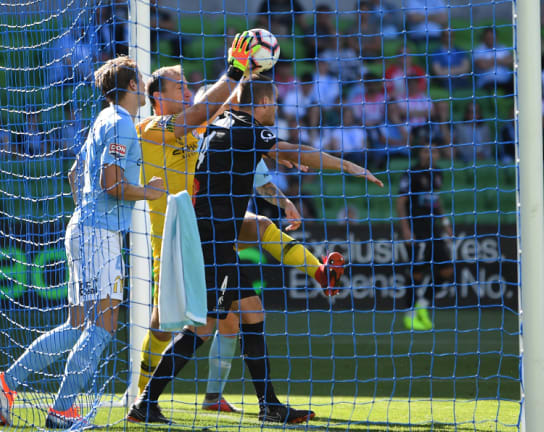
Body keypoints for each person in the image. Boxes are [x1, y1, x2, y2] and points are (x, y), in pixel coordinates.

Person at [127, 75, 383, 425]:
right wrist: (349, 165)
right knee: (203, 328)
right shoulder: (247, 130)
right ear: (262, 105)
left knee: (252, 311)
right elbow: (293, 150)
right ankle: (145, 402)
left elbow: (267, 165)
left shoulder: (222, 125)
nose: (276, 109)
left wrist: (280, 187)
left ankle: (269, 405)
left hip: (211, 234)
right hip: (211, 239)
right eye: (274, 103)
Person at [0, 56, 165, 429]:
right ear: (131, 86)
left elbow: (74, 173)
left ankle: (6, 383)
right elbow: (111, 184)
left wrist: (87, 211)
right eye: (141, 81)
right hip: (100, 234)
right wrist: (147, 192)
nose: (145, 85)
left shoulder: (102, 119)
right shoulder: (121, 124)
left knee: (77, 326)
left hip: (83, 227)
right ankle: (61, 411)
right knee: (103, 324)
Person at [398, 134, 453, 331]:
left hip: (434, 229)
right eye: (425, 150)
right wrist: (405, 229)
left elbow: (436, 201)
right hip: (417, 229)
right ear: (419, 153)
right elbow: (401, 202)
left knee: (447, 271)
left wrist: (445, 222)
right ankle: (410, 314)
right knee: (417, 273)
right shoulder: (411, 173)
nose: (429, 154)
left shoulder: (438, 173)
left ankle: (423, 305)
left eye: (434, 151)